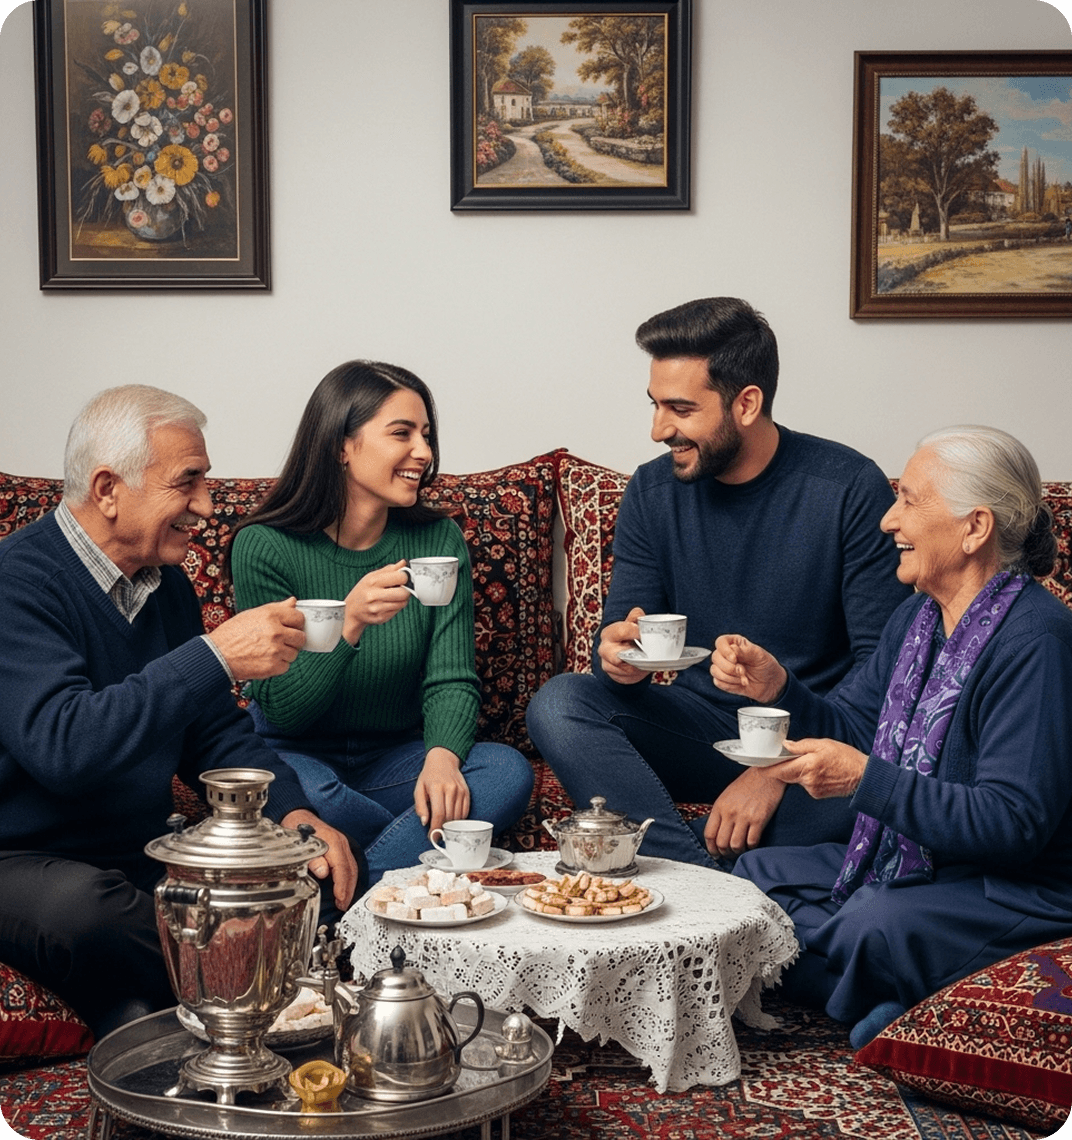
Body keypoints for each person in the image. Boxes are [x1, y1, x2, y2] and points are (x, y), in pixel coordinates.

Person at [0, 385, 360, 1040]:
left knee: (311, 882)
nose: (205, 505)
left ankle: (156, 1024)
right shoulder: (16, 582)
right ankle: (273, 1008)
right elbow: (66, 748)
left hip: (139, 857)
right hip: (19, 859)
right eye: (186, 483)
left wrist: (294, 818)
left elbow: (214, 732)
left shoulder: (167, 587)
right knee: (94, 912)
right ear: (108, 488)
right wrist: (214, 658)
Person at [711, 425, 1072, 1048]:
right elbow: (853, 726)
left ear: (974, 527)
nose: (888, 521)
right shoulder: (918, 617)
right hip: (915, 858)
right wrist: (780, 691)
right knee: (753, 882)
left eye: (909, 500)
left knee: (873, 925)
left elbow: (1013, 823)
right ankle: (898, 1002)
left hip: (1011, 883)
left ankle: (896, 1007)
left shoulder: (1037, 639)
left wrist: (863, 780)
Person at [526, 297, 911, 868]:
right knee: (559, 702)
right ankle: (698, 876)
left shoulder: (848, 487)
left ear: (747, 403)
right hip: (698, 730)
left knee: (891, 797)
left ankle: (681, 875)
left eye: (680, 408)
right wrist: (614, 656)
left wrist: (774, 771)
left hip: (812, 733)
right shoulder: (653, 492)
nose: (659, 429)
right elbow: (624, 635)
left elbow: (885, 677)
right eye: (656, 405)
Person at [227, 360, 534, 884]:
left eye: (426, 435)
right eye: (402, 433)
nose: (424, 452)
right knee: (304, 795)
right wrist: (348, 622)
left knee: (505, 772)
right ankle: (409, 867)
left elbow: (452, 677)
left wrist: (441, 760)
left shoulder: (436, 542)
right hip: (297, 753)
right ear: (340, 446)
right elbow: (285, 711)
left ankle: (365, 883)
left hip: (396, 757)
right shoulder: (265, 546)